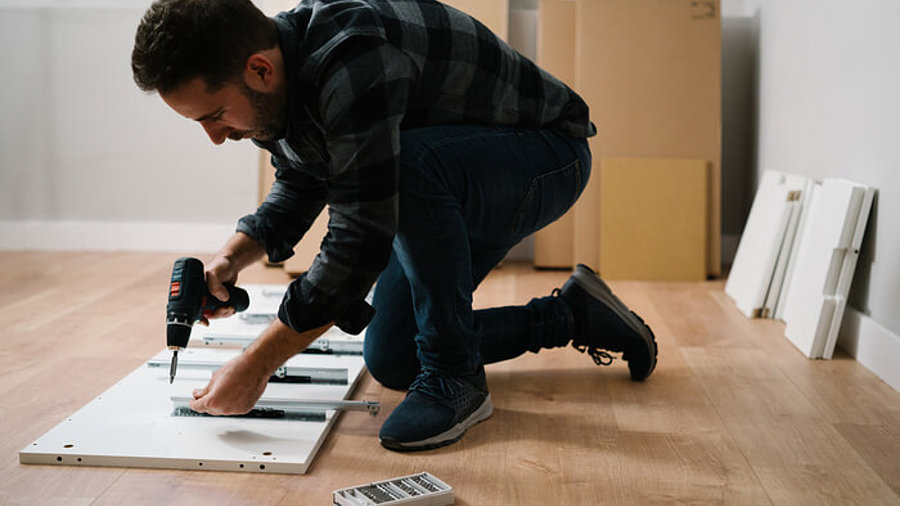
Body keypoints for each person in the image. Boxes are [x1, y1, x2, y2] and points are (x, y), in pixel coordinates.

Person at [132, 0, 658, 451]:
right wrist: (232, 256)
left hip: (546, 159)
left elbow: (360, 236)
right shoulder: (276, 87)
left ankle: (457, 380)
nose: (216, 137)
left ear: (259, 70)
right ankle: (572, 316)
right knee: (395, 357)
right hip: (446, 186)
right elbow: (300, 179)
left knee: (406, 171)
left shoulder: (352, 56)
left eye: (215, 115)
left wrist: (258, 363)